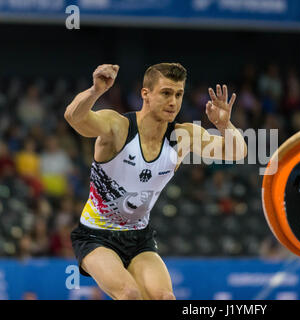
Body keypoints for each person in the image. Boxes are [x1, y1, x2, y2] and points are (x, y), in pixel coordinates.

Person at [64, 63, 247, 300]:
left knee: (165, 298)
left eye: (179, 94)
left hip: (139, 237)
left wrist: (224, 125)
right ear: (145, 94)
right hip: (96, 236)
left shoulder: (182, 137)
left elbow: (237, 152)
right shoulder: (119, 128)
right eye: (166, 93)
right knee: (129, 294)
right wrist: (95, 91)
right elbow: (73, 117)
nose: (173, 101)